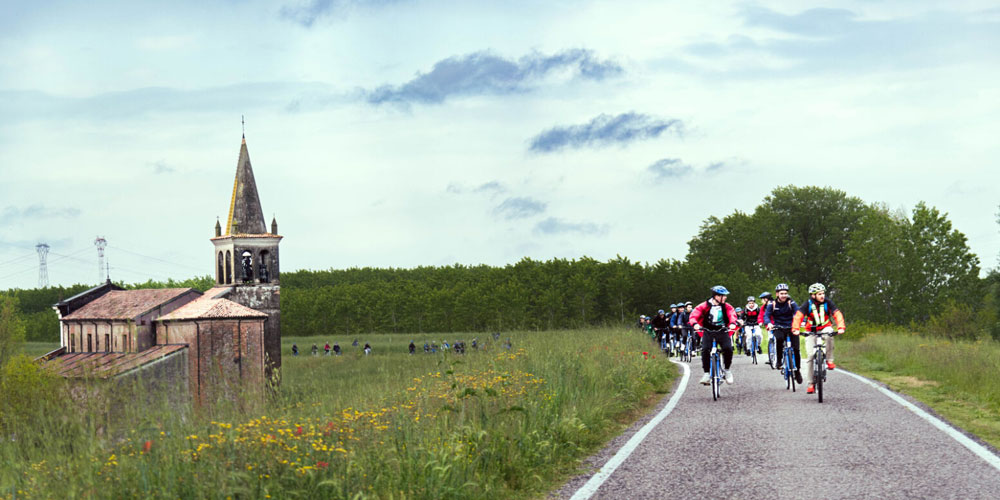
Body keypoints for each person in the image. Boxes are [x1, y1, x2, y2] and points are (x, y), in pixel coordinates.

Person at [792, 283, 846, 394]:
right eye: (819, 294)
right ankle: (811, 384)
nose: (822, 296)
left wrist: (841, 327)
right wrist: (795, 329)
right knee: (810, 356)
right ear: (813, 295)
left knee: (829, 335)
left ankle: (829, 360)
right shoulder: (807, 304)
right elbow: (798, 316)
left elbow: (837, 314)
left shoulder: (828, 302)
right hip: (811, 330)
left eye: (823, 293)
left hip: (825, 327)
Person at [689, 286, 738, 385]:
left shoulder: (727, 306)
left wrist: (733, 323)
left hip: (722, 330)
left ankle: (727, 370)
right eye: (723, 296)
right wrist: (695, 324)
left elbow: (732, 314)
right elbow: (694, 315)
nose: (725, 298)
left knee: (728, 348)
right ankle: (706, 373)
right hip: (708, 331)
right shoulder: (704, 306)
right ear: (716, 296)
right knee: (705, 349)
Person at [762, 283, 802, 384]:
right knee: (779, 339)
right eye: (781, 293)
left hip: (791, 327)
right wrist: (769, 323)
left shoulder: (791, 303)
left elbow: (798, 313)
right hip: (778, 327)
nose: (784, 295)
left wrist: (801, 321)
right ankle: (779, 360)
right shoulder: (772, 304)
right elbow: (766, 316)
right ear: (777, 294)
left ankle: (797, 371)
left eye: (785, 293)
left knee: (796, 349)